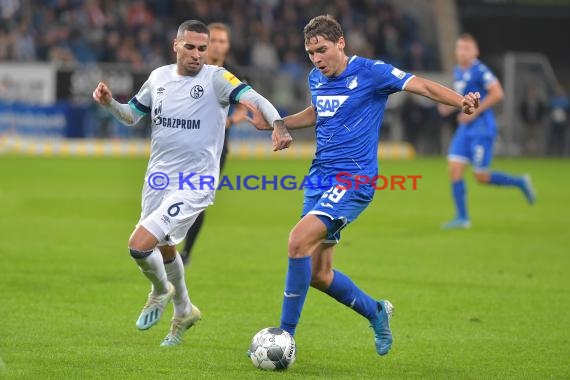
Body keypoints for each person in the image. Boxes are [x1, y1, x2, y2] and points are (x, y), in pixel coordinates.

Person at [245, 15, 479, 357]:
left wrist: (461, 102)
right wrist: (278, 124)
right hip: (319, 179)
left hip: (353, 180)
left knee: (297, 242)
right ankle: (376, 311)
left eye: (322, 50)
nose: (317, 59)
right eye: (311, 53)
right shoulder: (316, 78)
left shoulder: (372, 72)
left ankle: (285, 337)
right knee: (318, 274)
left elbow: (423, 86)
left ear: (340, 43)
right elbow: (317, 112)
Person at [92, 20, 291, 347]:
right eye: (191, 47)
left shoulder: (217, 79)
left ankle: (159, 292)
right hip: (157, 179)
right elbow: (131, 115)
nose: (198, 54)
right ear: (176, 45)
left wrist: (279, 124)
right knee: (165, 246)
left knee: (139, 245)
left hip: (194, 182)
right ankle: (184, 310)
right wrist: (110, 103)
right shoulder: (158, 77)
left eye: (203, 48)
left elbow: (255, 99)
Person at [439, 34, 535, 229]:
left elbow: (498, 93)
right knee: (454, 169)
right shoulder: (458, 71)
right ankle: (462, 218)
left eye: (467, 48)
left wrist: (475, 113)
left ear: (476, 52)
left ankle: (520, 182)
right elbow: (463, 97)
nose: (462, 52)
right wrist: (449, 106)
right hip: (465, 129)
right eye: (459, 48)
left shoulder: (480, 70)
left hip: (481, 128)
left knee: (481, 177)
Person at [179, 22, 248, 266]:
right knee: (172, 193)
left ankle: (185, 252)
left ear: (227, 46)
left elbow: (246, 104)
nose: (218, 45)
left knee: (198, 200)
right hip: (183, 145)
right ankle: (165, 242)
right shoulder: (191, 70)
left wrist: (231, 120)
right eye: (214, 40)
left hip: (215, 150)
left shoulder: (232, 73)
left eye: (222, 41)